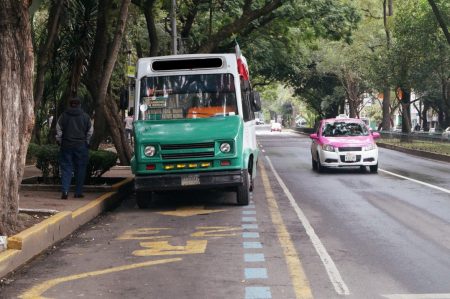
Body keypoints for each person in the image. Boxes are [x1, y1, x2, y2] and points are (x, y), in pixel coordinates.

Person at [56, 96, 93, 199]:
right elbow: (90, 131)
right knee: (80, 168)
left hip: (66, 145)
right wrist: (87, 142)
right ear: (79, 105)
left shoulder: (63, 116)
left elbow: (58, 129)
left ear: (70, 105)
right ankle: (78, 192)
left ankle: (65, 191)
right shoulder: (86, 117)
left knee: (66, 168)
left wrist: (60, 140)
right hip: (81, 145)